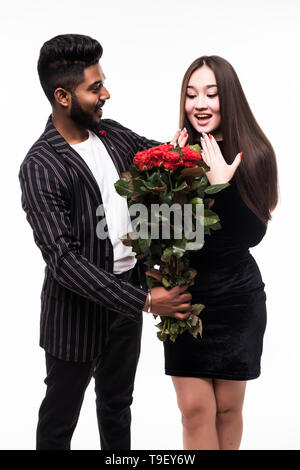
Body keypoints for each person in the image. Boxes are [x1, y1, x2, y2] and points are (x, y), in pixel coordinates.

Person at [18, 34, 191, 450]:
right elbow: (64, 261)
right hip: (75, 316)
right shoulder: (41, 166)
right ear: (62, 95)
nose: (105, 94)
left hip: (124, 307)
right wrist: (147, 302)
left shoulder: (110, 135)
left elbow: (162, 155)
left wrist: (199, 138)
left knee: (117, 405)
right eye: (95, 88)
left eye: (103, 83)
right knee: (60, 421)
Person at [163, 56, 278, 450]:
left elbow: (252, 237)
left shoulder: (256, 153)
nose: (200, 103)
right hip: (185, 300)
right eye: (192, 94)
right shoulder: (173, 155)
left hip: (237, 300)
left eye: (211, 94)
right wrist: (168, 178)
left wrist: (222, 185)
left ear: (228, 98)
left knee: (228, 410)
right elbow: (163, 238)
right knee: (194, 410)